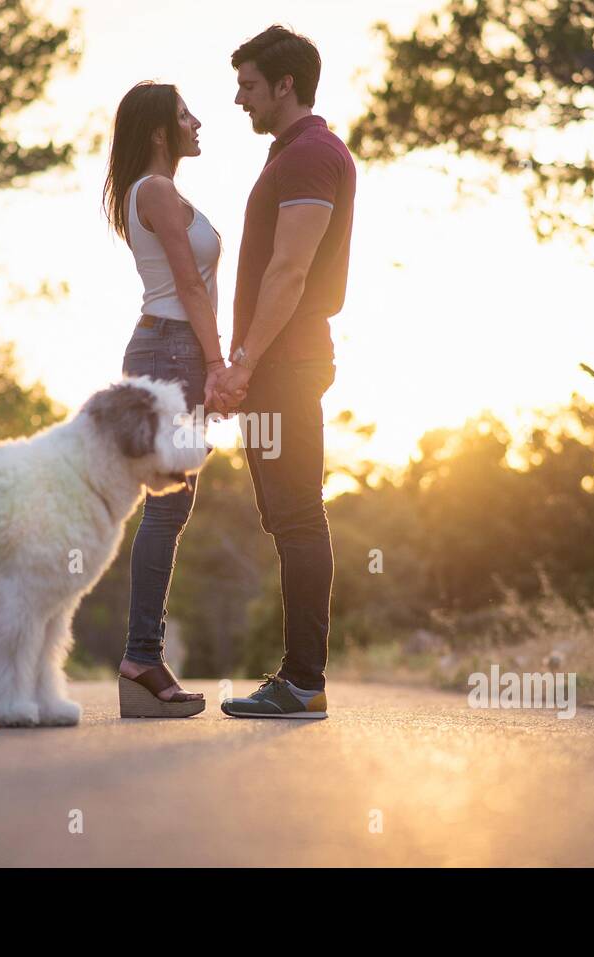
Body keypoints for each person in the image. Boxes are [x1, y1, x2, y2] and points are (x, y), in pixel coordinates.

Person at [216, 25, 357, 719]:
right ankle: (300, 677)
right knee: (286, 515)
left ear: (285, 85)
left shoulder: (310, 156)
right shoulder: (292, 155)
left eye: (247, 85)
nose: (239, 98)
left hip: (287, 364)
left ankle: (303, 682)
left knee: (298, 515)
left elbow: (292, 269)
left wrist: (244, 362)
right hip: (278, 366)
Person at [102, 81, 223, 717]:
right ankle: (142, 657)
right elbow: (191, 290)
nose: (197, 122)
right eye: (184, 115)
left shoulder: (156, 191)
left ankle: (143, 656)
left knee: (170, 506)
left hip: (167, 347)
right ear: (159, 132)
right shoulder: (156, 191)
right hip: (172, 348)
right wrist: (220, 364)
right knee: (167, 507)